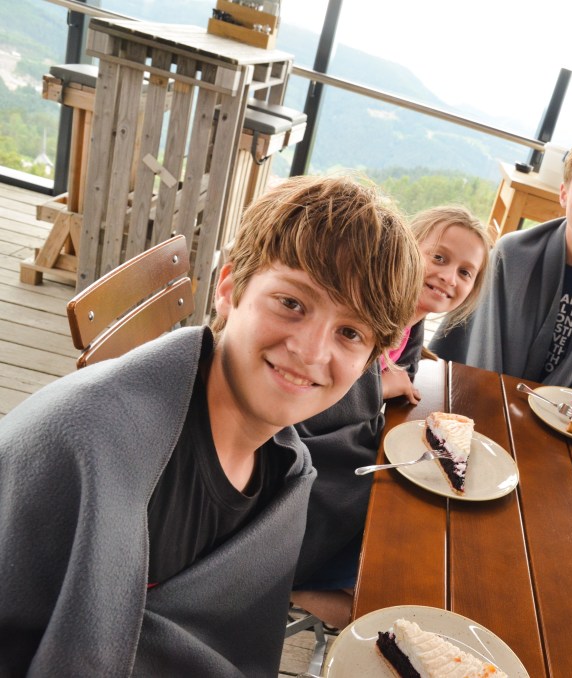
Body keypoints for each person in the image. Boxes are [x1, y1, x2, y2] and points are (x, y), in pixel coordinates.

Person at [0, 175, 422, 676]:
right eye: (291, 303)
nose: (311, 351)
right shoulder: (80, 447)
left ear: (369, 364)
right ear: (229, 288)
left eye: (350, 332)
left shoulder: (287, 472)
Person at [291, 205, 492, 627]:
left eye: (464, 272)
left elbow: (405, 375)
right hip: (310, 455)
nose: (448, 277)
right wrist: (380, 387)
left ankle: (341, 591)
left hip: (348, 450)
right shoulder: (369, 312)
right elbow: (317, 395)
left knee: (412, 523)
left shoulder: (412, 324)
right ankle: (287, 582)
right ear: (408, 248)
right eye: (439, 258)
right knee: (396, 531)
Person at [429, 133, 572, 391]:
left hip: (561, 407)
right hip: (484, 392)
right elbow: (482, 346)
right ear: (564, 194)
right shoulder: (510, 254)